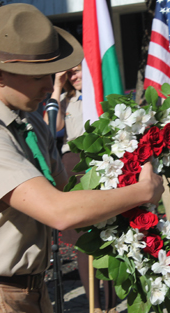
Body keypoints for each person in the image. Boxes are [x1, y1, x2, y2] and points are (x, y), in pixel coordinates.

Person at [0, 3, 164, 313]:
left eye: (51, 73)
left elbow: (69, 197)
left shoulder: (29, 121)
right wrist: (142, 191)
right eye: (36, 75)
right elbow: (59, 212)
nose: (48, 85)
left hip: (29, 291)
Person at [46, 65, 118, 313]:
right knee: (81, 240)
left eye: (78, 71)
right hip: (73, 166)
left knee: (105, 236)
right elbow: (50, 129)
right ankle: (93, 306)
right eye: (70, 73)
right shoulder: (66, 100)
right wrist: (57, 86)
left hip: (101, 165)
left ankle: (109, 306)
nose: (74, 77)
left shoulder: (103, 96)